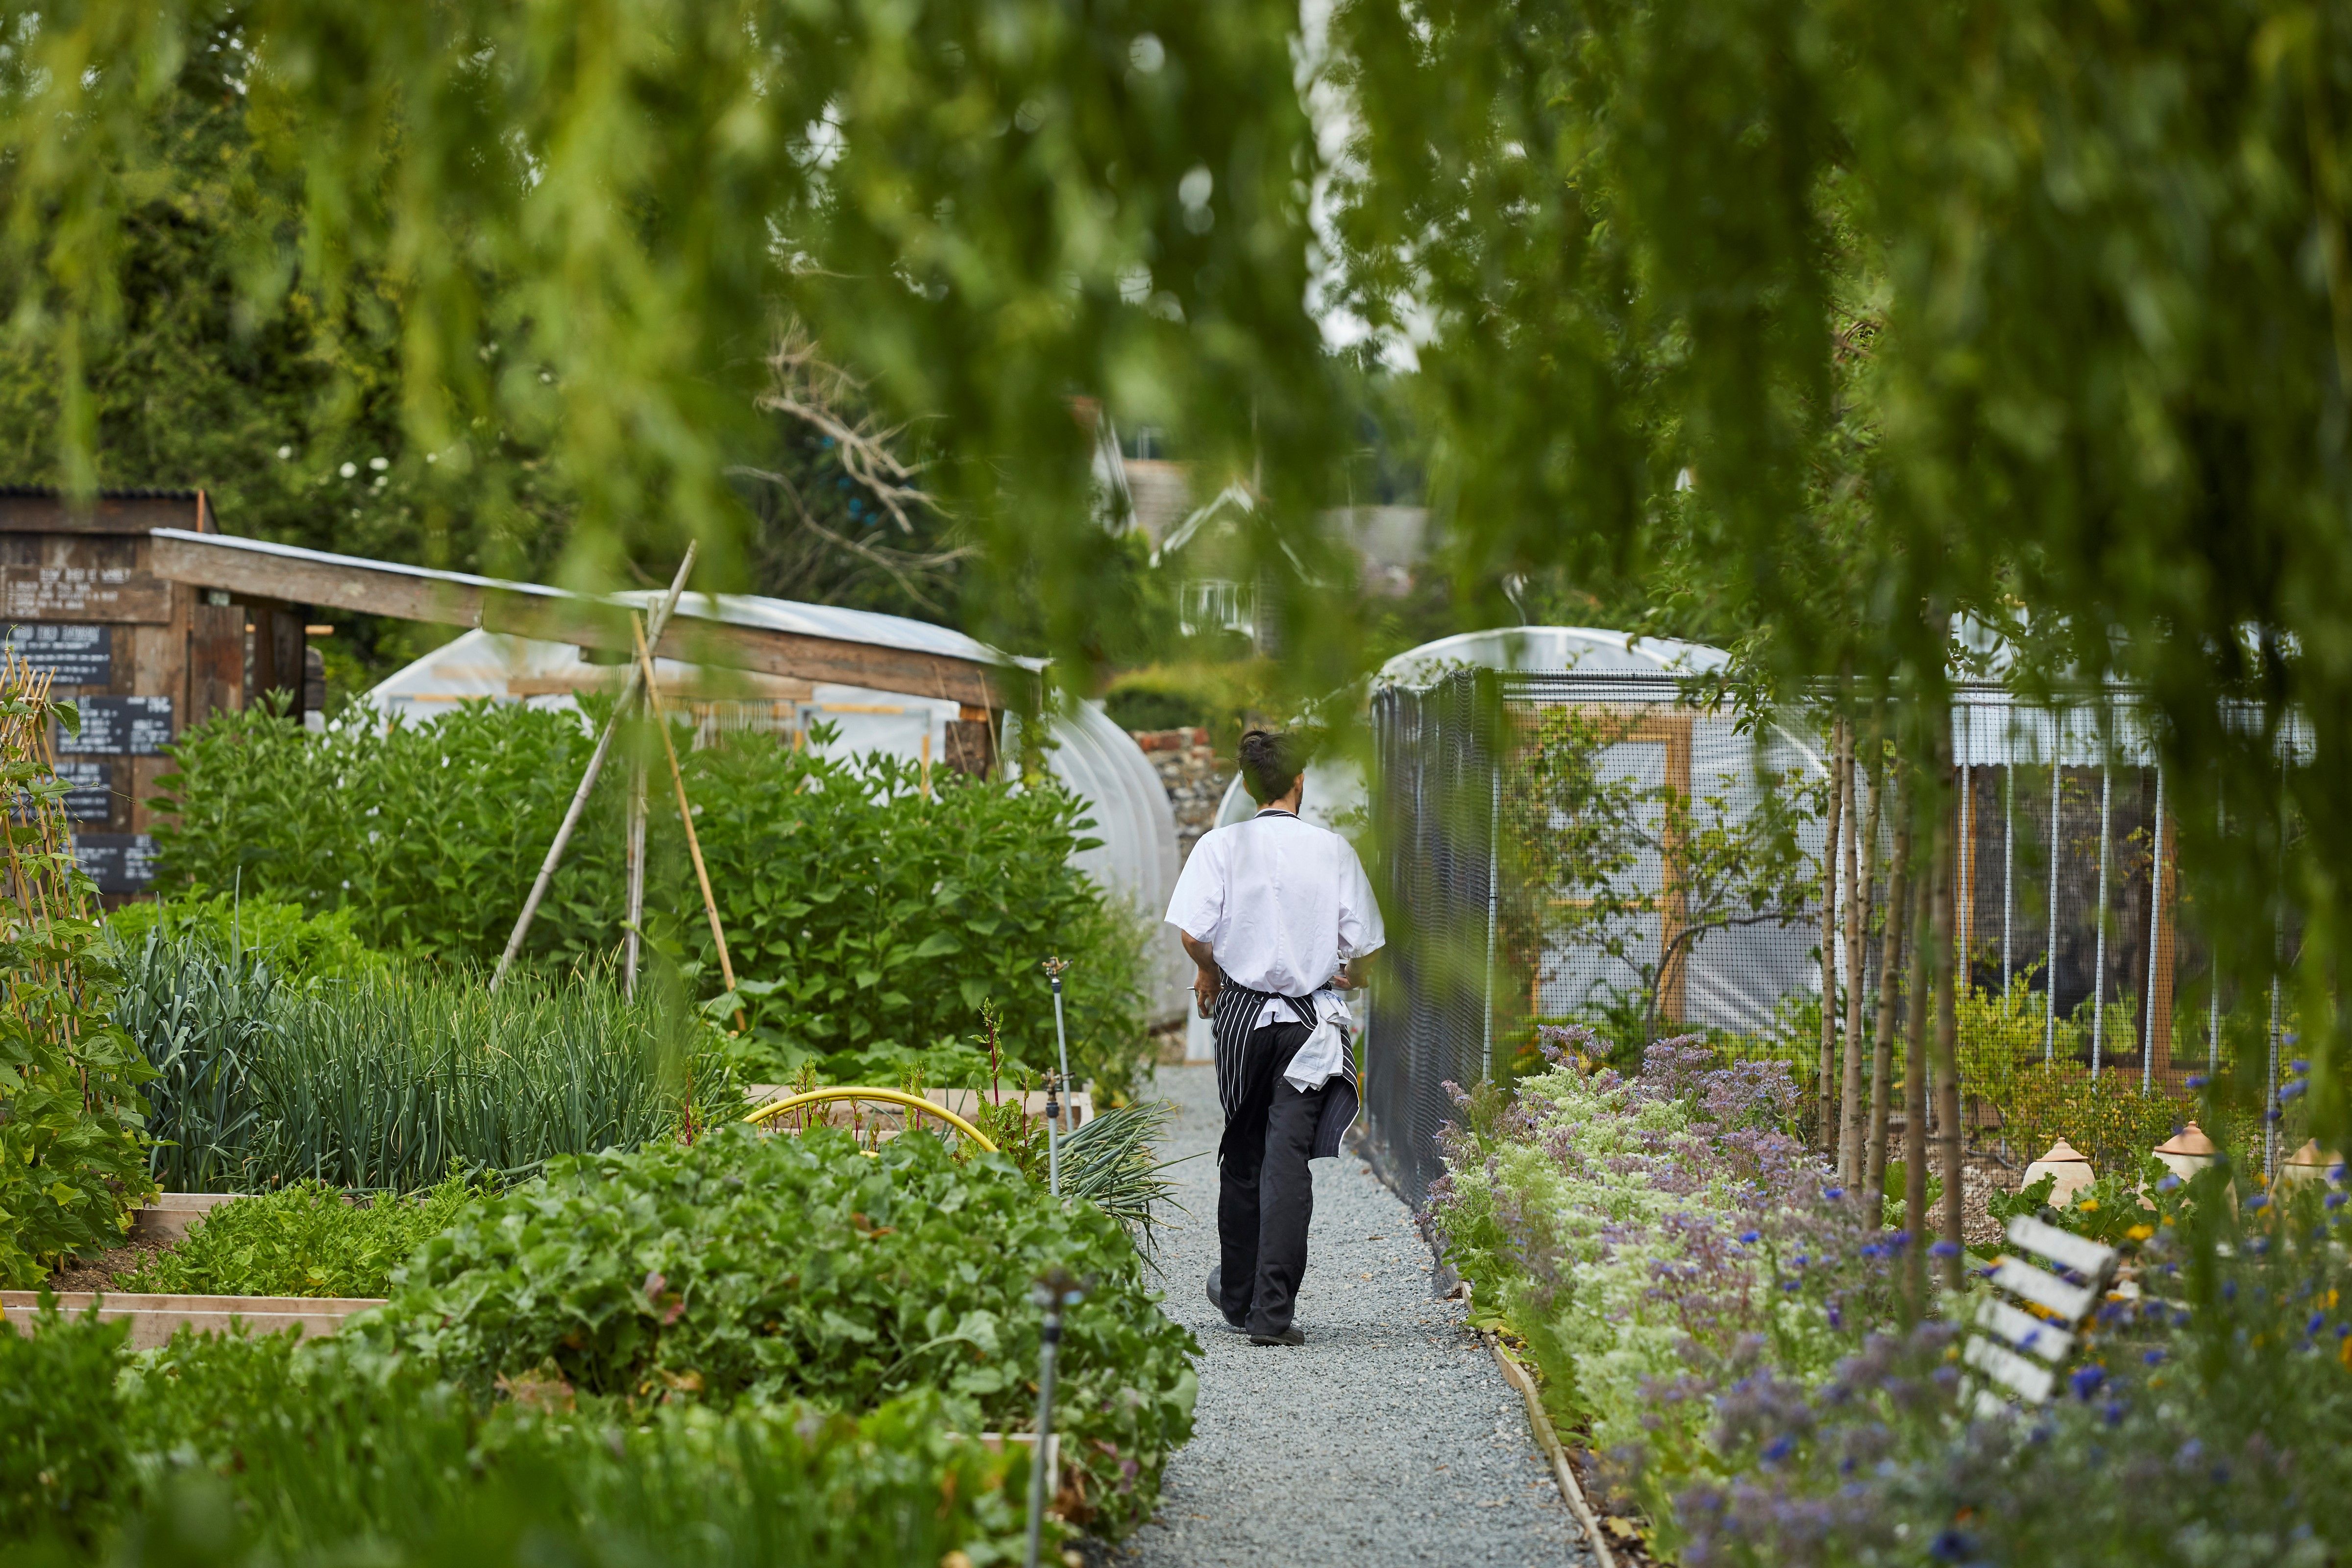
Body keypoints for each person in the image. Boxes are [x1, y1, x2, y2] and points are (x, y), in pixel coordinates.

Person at [1163, 729, 1384, 1346]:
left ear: (1251, 785)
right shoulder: (1332, 849)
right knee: (1287, 1159)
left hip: (1240, 1016)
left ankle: (1237, 1297)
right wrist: (1350, 974)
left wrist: (1209, 969)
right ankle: (1272, 1313)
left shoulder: (1219, 846)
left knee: (1243, 1149)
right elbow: (1365, 946)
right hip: (1310, 1025)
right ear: (1299, 782)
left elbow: (1191, 932)